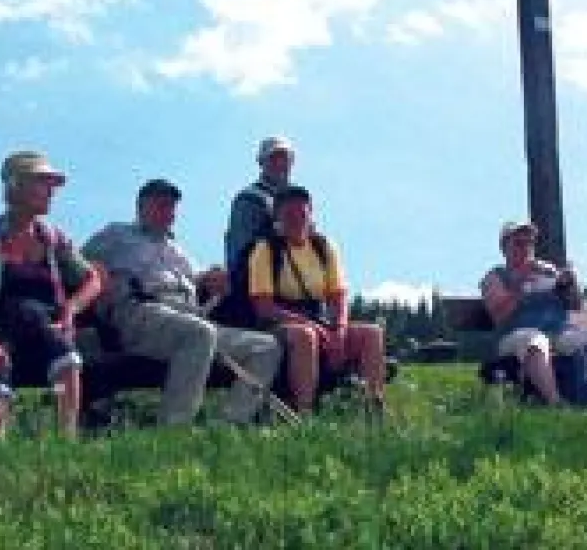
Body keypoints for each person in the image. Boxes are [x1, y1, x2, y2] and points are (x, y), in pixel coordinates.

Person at [83, 178, 282, 426]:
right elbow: (78, 264)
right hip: (140, 313)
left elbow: (201, 281)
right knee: (200, 333)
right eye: (160, 204)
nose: (168, 212)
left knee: (266, 346)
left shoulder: (179, 251)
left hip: (190, 318)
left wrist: (212, 280)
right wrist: (99, 278)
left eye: (172, 206)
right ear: (141, 207)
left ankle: (230, 423)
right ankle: (175, 427)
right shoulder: (116, 234)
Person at [0, 151, 104, 438]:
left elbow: (93, 279)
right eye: (42, 183)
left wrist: (70, 310)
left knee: (66, 354)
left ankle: (66, 443)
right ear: (16, 186)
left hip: (44, 334)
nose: (51, 192)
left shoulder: (53, 238)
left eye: (52, 185)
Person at [247, 184, 387, 414]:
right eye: (289, 215)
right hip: (278, 323)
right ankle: (304, 412)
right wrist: (314, 327)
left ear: (310, 214)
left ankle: (373, 408)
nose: (297, 220)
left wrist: (339, 330)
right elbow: (264, 307)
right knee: (305, 335)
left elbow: (338, 296)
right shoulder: (265, 250)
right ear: (277, 217)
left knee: (372, 333)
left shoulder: (323, 246)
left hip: (319, 320)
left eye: (302, 214)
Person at [480, 220, 587, 405]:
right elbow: (499, 315)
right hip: (515, 334)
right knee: (536, 341)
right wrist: (519, 285)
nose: (526, 248)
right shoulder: (495, 276)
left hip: (558, 331)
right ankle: (555, 402)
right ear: (504, 248)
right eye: (519, 243)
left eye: (530, 243)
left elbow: (576, 306)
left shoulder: (548, 271)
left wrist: (570, 285)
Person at [225, 136, 296, 276]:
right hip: (261, 281)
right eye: (273, 158)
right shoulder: (248, 199)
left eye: (285, 159)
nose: (280, 163)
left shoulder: (298, 201)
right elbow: (241, 251)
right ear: (262, 163)